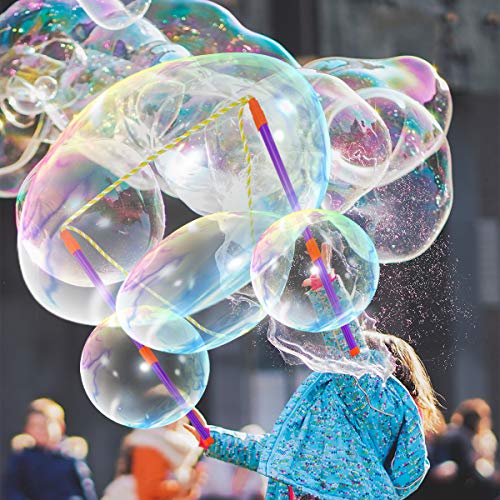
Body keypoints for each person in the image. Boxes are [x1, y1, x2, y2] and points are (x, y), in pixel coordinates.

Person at [185, 241, 440, 499]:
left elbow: (349, 353)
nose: (338, 362)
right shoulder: (350, 416)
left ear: (382, 369)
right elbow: (279, 454)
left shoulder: (372, 402)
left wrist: (327, 290)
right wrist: (212, 440)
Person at [4, 398, 97, 500]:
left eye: (45, 425)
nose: (39, 430)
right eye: (34, 425)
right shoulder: (22, 458)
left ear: (61, 426)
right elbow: (12, 491)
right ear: (27, 429)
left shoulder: (71, 457)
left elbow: (86, 493)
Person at [103, 417, 207, 500]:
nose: (181, 418)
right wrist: (183, 486)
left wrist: (189, 486)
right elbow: (149, 491)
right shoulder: (150, 442)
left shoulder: (173, 444)